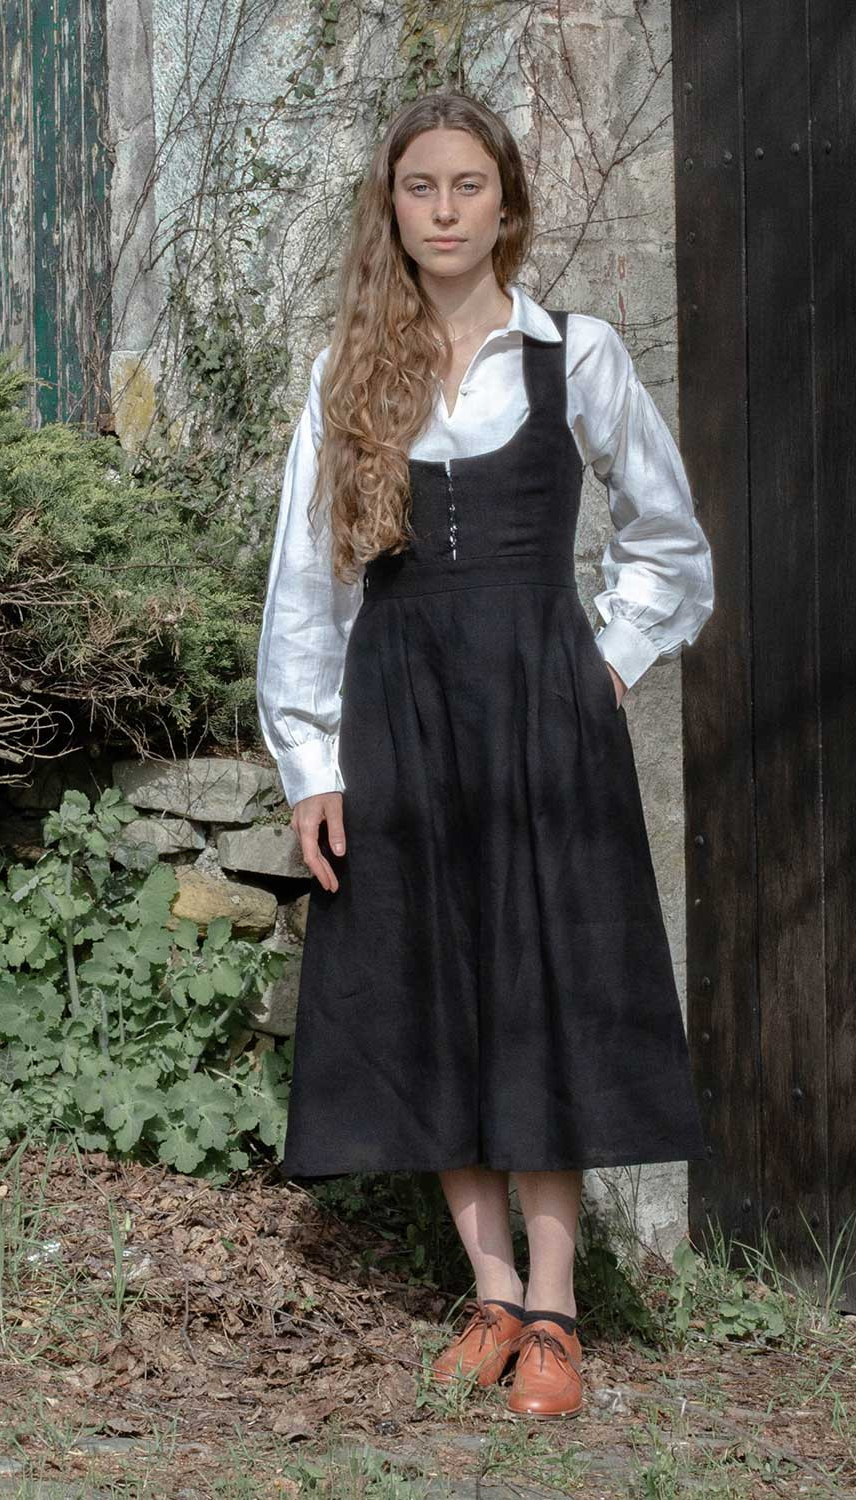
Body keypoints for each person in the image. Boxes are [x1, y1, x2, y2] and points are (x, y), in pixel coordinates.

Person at [256, 91, 715, 1420]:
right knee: (433, 981)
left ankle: (557, 1314)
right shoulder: (348, 373)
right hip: (397, 715)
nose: (444, 209)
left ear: (504, 203)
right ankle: (492, 1293)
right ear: (392, 208)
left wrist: (605, 660)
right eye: (421, 187)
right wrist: (313, 763)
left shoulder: (576, 355)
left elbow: (666, 537)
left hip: (537, 718)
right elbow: (306, 583)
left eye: (467, 186)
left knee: (544, 983)